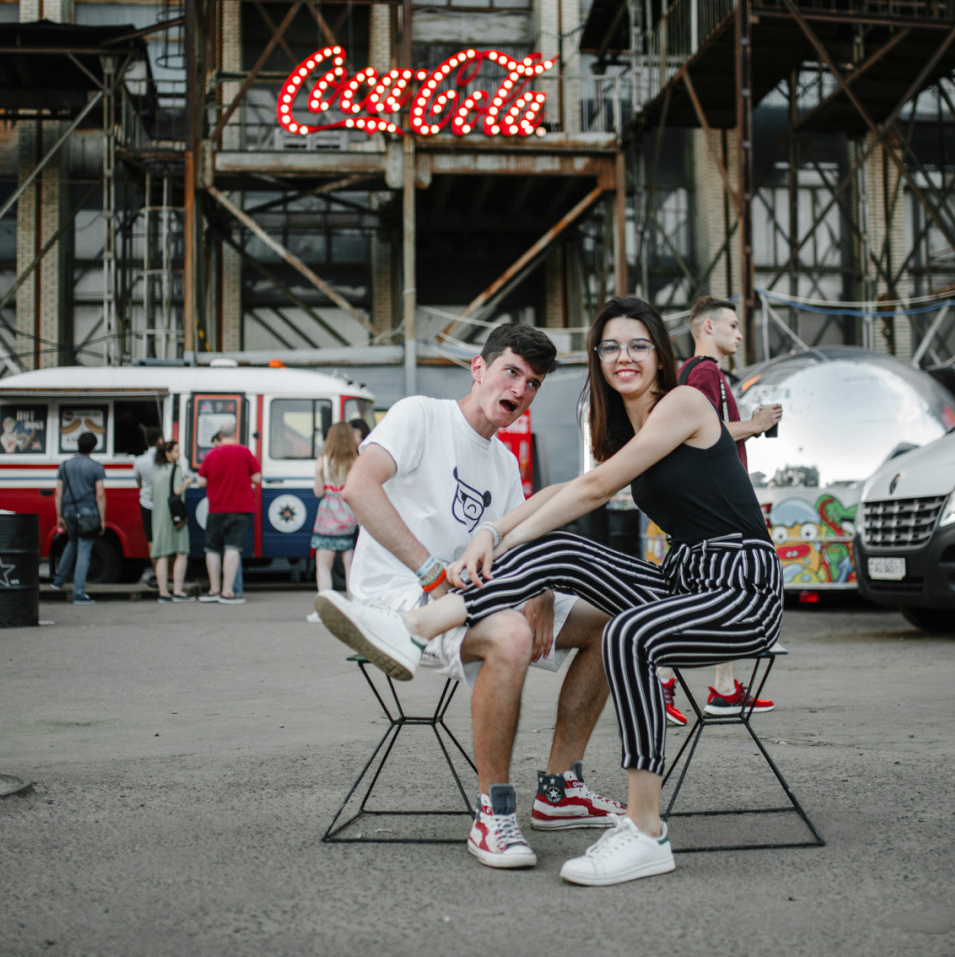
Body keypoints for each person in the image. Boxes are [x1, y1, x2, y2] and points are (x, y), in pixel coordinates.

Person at [318, 297, 784, 886]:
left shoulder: (684, 403)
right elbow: (562, 493)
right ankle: (420, 630)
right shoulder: (630, 435)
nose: (624, 356)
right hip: (683, 576)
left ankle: (646, 832)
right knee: (563, 555)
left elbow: (590, 489)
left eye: (639, 344)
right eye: (610, 346)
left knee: (628, 632)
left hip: (740, 582)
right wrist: (493, 530)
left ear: (663, 357)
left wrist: (498, 544)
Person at [314, 323, 624, 870]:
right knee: (511, 633)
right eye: (512, 372)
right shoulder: (420, 415)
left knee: (606, 623)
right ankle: (493, 813)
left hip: (473, 593)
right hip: (403, 595)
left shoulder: (504, 463)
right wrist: (431, 570)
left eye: (532, 384)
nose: (520, 390)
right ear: (478, 369)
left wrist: (542, 590)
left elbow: (515, 538)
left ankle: (559, 791)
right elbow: (359, 487)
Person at [664, 296, 784, 725]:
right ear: (707, 328)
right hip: (717, 505)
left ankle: (725, 689)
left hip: (707, 503)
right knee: (726, 588)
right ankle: (662, 684)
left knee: (719, 588)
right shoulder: (705, 372)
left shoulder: (694, 373)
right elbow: (699, 432)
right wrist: (754, 425)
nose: (738, 332)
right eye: (732, 325)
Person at [198, 427, 260, 605]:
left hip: (216, 508)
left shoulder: (211, 454)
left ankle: (214, 589)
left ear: (219, 436)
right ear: (235, 434)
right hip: (240, 509)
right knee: (233, 548)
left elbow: (201, 481)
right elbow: (257, 478)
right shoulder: (245, 452)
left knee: (212, 549)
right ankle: (228, 591)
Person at [53, 431, 106, 605]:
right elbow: (100, 494)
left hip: (69, 512)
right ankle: (78, 593)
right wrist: (102, 519)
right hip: (88, 512)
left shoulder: (65, 465)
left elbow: (58, 492)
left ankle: (58, 581)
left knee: (72, 542)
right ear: (93, 447)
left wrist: (59, 516)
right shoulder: (96, 467)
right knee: (84, 551)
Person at [311, 420, 360, 594]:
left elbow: (318, 492)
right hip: (349, 517)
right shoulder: (356, 462)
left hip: (328, 520)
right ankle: (353, 607)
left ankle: (325, 606)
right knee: (351, 567)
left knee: (323, 567)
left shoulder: (322, 462)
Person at [150, 439, 193, 602]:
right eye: (176, 451)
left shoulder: (158, 472)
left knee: (162, 554)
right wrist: (186, 482)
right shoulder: (176, 469)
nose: (179, 454)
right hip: (174, 517)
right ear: (167, 454)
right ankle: (178, 590)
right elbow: (177, 490)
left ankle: (163, 592)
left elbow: (152, 496)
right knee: (181, 552)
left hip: (159, 516)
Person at [134, 425, 163, 581]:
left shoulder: (139, 461)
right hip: (163, 504)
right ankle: (167, 575)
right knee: (164, 539)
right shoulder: (165, 459)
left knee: (151, 540)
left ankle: (158, 573)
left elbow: (138, 482)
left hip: (146, 502)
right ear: (160, 440)